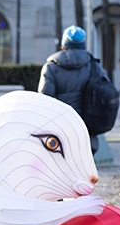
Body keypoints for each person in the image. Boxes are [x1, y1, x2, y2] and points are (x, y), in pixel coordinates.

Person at [38, 25, 108, 154]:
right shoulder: (94, 66)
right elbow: (106, 92)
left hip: (61, 126)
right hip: (87, 126)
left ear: (64, 43)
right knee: (85, 168)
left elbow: (44, 100)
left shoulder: (51, 67)